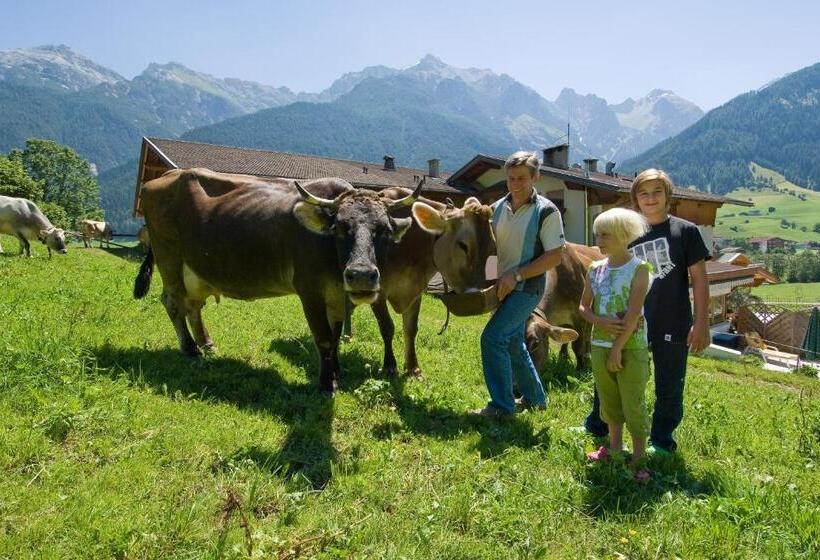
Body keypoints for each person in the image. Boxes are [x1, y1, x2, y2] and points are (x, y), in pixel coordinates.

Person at [583, 169, 711, 454]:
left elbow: (700, 280)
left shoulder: (685, 231)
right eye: (644, 192)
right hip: (627, 320)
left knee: (669, 382)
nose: (650, 198)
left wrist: (702, 323)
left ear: (668, 197)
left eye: (657, 192)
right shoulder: (625, 231)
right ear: (635, 198)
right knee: (610, 372)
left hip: (672, 318)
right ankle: (597, 425)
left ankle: (661, 440)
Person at [472, 151, 565, 417]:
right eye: (510, 178)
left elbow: (555, 256)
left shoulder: (546, 211)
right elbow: (492, 249)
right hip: (502, 288)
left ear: (536, 177)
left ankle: (502, 406)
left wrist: (517, 275)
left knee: (492, 338)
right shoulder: (498, 207)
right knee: (513, 343)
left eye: (522, 178)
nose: (515, 184)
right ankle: (536, 399)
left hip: (527, 288)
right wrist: (491, 279)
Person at [578, 208, 652, 474]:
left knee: (633, 401)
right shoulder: (594, 269)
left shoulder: (640, 269)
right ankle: (615, 447)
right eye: (597, 234)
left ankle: (640, 458)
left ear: (623, 235)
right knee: (609, 401)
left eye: (606, 234)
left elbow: (633, 315)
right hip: (599, 346)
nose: (599, 239)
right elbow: (583, 307)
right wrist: (600, 321)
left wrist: (617, 349)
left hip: (630, 347)